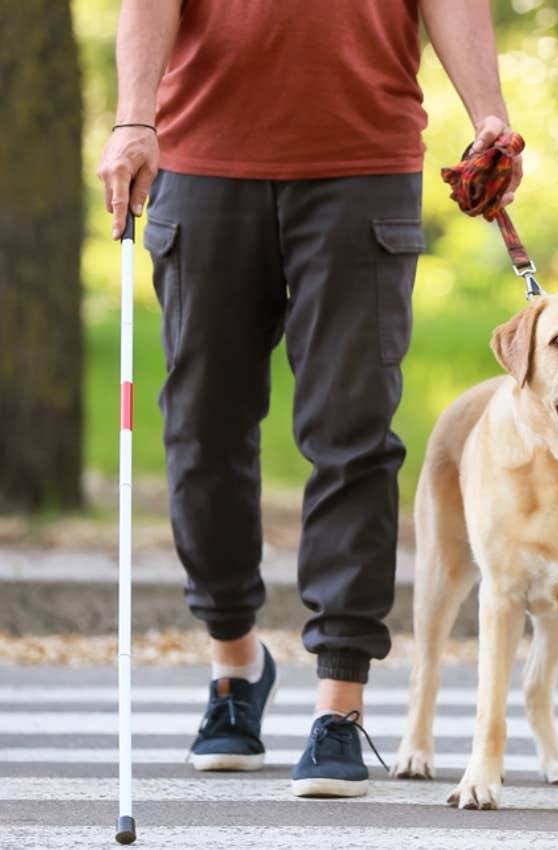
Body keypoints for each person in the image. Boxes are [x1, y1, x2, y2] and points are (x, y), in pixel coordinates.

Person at [97, 0, 522, 798]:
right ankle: (234, 666)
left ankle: (340, 700)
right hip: (203, 161)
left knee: (352, 431)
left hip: (363, 163)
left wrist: (488, 113)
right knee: (202, 430)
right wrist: (132, 120)